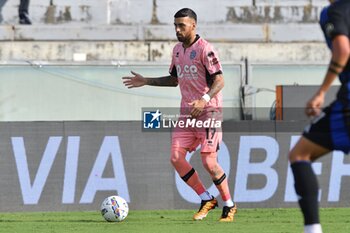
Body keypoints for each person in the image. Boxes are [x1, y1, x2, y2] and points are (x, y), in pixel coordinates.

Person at [122, 8, 237, 222]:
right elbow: (174, 79)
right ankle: (206, 199)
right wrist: (146, 80)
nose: (177, 29)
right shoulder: (177, 50)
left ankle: (229, 205)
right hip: (187, 113)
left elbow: (220, 80)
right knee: (176, 157)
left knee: (209, 162)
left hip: (209, 112)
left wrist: (204, 99)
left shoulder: (206, 49)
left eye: (181, 25)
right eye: (175, 25)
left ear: (193, 25)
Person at [288, 0, 350, 233]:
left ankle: (312, 230)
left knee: (299, 154)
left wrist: (321, 92)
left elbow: (343, 50)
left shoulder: (334, 11)